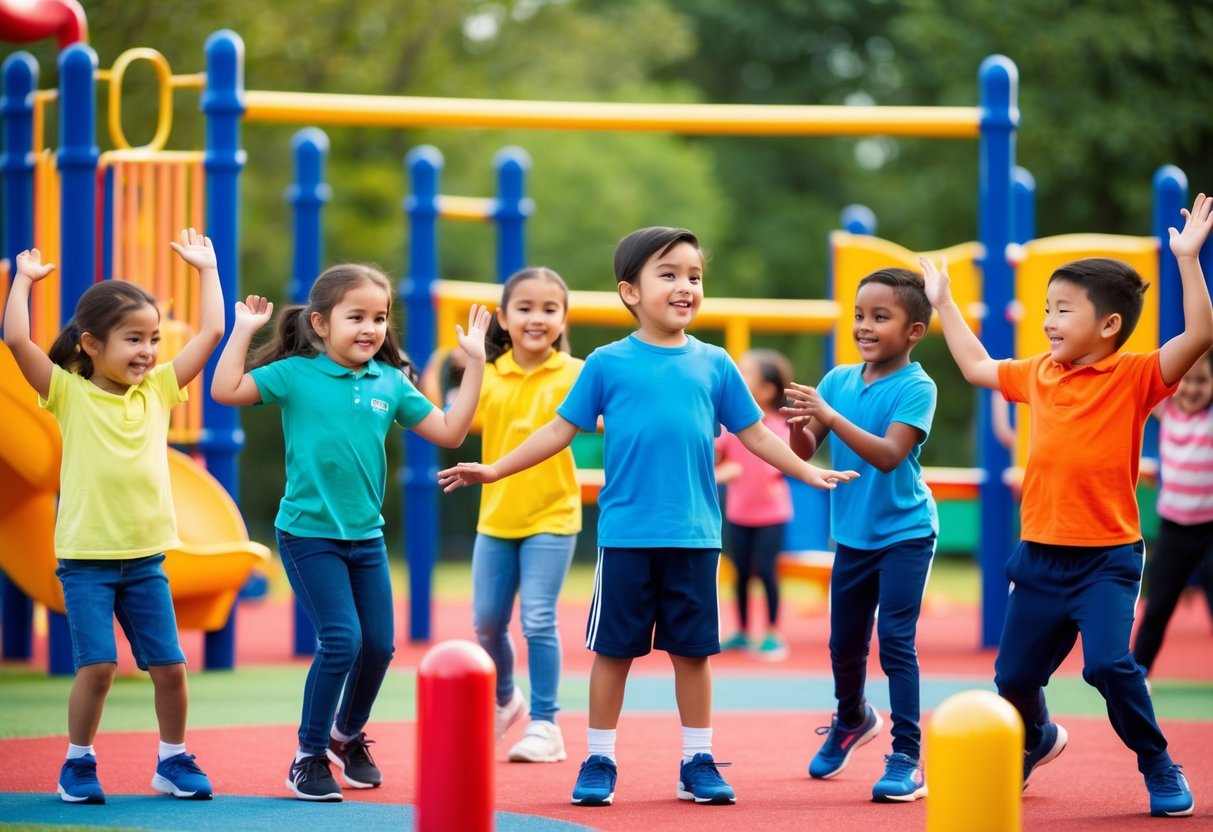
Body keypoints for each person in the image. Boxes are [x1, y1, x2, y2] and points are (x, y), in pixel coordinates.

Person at [438, 227, 858, 808]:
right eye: (669, 274)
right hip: (627, 537)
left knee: (693, 653)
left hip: (695, 538)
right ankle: (599, 758)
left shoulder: (715, 364)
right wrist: (495, 468)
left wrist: (809, 473)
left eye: (694, 275)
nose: (686, 285)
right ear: (629, 291)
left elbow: (756, 433)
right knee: (614, 653)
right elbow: (559, 431)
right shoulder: (607, 364)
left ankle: (697, 759)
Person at [921, 192, 1213, 819]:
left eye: (1062, 310)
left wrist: (1188, 260)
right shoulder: (1038, 374)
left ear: (1108, 325)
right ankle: (1038, 738)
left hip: (1106, 557)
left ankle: (1159, 762)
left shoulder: (1136, 375)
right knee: (1013, 681)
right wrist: (944, 303)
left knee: (1109, 664)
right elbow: (975, 366)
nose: (1049, 321)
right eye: (1047, 309)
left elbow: (1201, 334)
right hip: (1040, 558)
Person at [209, 264, 490, 802]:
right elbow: (225, 391)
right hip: (307, 535)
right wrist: (243, 330)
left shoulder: (391, 382)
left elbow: (452, 431)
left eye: (379, 317)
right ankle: (308, 755)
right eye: (356, 316)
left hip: (366, 540)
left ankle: (345, 736)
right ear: (320, 323)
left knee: (379, 648)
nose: (370, 327)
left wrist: (474, 364)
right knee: (342, 641)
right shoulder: (294, 373)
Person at [3, 230, 225, 804]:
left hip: (145, 559)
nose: (148, 350)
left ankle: (173, 759)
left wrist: (207, 269)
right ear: (91, 344)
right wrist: (22, 282)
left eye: (153, 338)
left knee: (170, 668)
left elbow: (212, 333)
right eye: (133, 339)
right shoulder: (67, 393)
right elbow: (17, 339)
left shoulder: (157, 390)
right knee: (98, 667)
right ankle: (77, 764)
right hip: (86, 562)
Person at [783, 267, 937, 803]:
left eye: (880, 317)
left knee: (895, 641)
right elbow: (803, 452)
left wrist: (827, 414)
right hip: (852, 536)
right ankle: (852, 718)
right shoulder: (837, 381)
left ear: (913, 331)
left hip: (906, 533)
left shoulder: (918, 386)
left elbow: (890, 456)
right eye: (858, 315)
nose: (864, 326)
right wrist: (801, 425)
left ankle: (906, 756)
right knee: (844, 644)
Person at [467, 266, 584, 763]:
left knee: (538, 619)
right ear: (503, 317)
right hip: (496, 518)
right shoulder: (489, 374)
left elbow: (609, 416)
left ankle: (545, 723)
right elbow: (455, 421)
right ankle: (504, 698)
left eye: (549, 309)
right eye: (525, 308)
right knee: (487, 624)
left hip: (553, 515)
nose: (537, 318)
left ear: (563, 318)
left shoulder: (578, 373)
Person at [1133, 350, 1213, 675]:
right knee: (1158, 606)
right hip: (1175, 529)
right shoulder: (1166, 411)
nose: (1193, 388)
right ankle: (1137, 674)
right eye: (1186, 381)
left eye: (1202, 381)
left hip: (1210, 529)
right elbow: (1150, 382)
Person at [716, 348, 796, 661]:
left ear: (766, 390)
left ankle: (773, 633)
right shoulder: (730, 426)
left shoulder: (779, 426)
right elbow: (716, 460)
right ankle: (743, 631)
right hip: (738, 513)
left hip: (771, 515)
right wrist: (723, 470)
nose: (739, 376)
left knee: (765, 570)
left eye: (746, 372)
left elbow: (781, 463)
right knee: (740, 574)